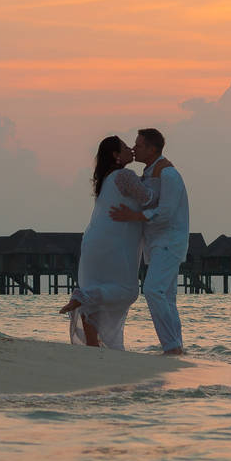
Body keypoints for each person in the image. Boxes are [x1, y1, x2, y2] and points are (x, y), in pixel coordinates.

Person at [59, 136, 150, 349]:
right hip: (114, 246)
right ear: (116, 156)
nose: (131, 150)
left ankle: (93, 346)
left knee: (95, 302)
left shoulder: (106, 180)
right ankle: (83, 295)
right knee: (128, 291)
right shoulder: (125, 176)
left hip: (93, 243)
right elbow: (149, 199)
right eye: (126, 148)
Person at [109, 127, 188, 355]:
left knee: (153, 290)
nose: (134, 148)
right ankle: (175, 346)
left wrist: (133, 216)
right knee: (167, 296)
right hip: (155, 242)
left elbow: (167, 212)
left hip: (169, 240)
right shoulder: (151, 172)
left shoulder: (168, 174)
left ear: (152, 149)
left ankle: (172, 346)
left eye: (139, 145)